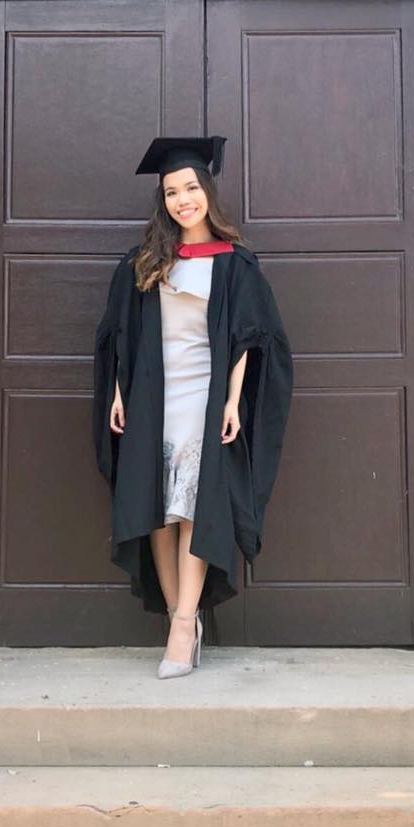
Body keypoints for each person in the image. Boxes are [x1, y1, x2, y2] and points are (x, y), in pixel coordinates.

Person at [92, 135, 293, 679]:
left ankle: (183, 623)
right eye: (172, 191)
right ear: (163, 200)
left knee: (192, 510)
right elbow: (120, 336)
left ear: (208, 191)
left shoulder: (235, 264)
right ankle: (180, 619)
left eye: (191, 187)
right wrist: (116, 391)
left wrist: (232, 401)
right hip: (153, 396)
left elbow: (250, 338)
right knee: (156, 511)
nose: (183, 199)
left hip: (203, 399)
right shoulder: (145, 263)